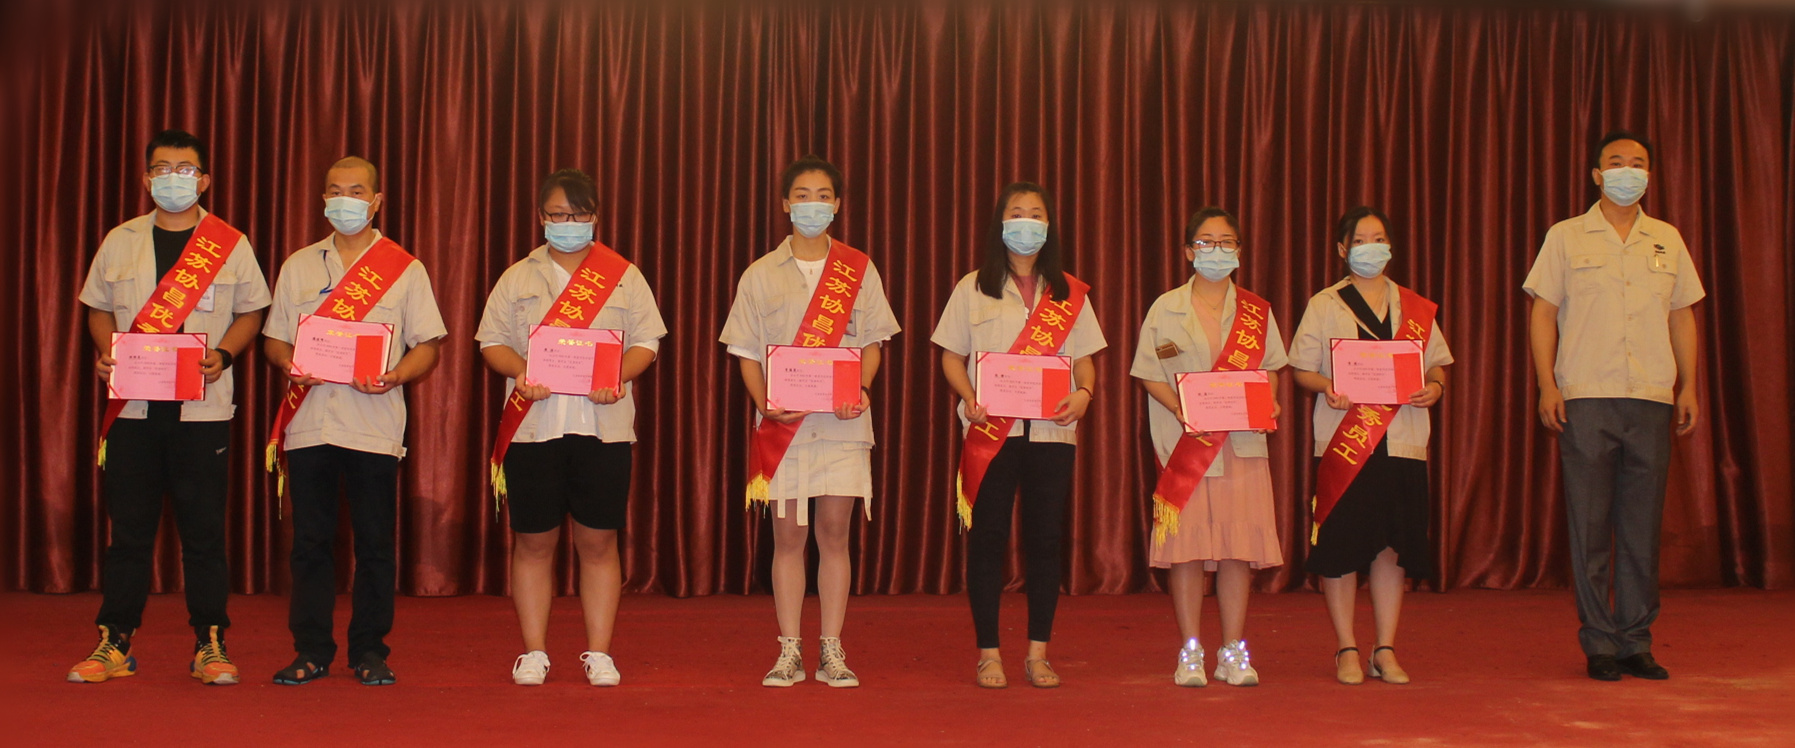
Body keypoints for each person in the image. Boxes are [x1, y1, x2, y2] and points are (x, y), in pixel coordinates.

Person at [69, 129, 271, 685]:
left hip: (202, 412)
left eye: (185, 170)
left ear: (203, 180)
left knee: (203, 534)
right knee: (129, 533)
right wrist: (107, 353)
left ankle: (211, 643)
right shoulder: (120, 240)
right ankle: (114, 641)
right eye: (162, 169)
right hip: (133, 409)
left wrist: (225, 355)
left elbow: (252, 311)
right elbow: (97, 307)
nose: (172, 179)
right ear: (146, 178)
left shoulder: (228, 243)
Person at [1523, 131, 1702, 682]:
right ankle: (1599, 641)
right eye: (1617, 163)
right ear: (1597, 175)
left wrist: (1688, 387)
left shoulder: (1666, 238)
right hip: (1586, 396)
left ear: (1650, 175)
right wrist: (1547, 385)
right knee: (1590, 526)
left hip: (1651, 396)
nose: (1629, 171)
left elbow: (1681, 315)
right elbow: (1543, 313)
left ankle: (1635, 641)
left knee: (1642, 528)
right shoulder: (1566, 236)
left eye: (1638, 163)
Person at [477, 169, 668, 686]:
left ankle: (599, 652)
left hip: (603, 427)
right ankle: (533, 652)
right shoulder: (517, 276)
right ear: (541, 217)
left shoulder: (623, 275)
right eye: (557, 215)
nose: (568, 223)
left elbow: (647, 342)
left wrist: (617, 375)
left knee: (599, 542)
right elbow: (491, 342)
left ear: (595, 217)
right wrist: (521, 371)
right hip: (532, 427)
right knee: (533, 542)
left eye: (578, 214)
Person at [262, 156, 447, 686]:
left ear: (376, 200)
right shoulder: (300, 264)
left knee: (374, 545)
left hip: (374, 423)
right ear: (323, 199)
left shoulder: (404, 268)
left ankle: (369, 650)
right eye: (335, 190)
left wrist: (396, 375)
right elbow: (275, 339)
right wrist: (288, 364)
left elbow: (428, 345)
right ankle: (311, 650)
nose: (345, 200)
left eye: (357, 191)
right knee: (310, 544)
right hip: (310, 422)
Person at [719, 154, 900, 688]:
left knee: (835, 535)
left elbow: (873, 342)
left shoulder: (859, 269)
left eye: (823, 196)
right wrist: (765, 402)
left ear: (837, 205)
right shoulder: (759, 274)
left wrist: (861, 388)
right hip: (784, 427)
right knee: (789, 538)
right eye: (802, 195)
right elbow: (745, 351)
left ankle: (832, 649)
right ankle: (789, 650)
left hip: (843, 423)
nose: (812, 205)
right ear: (785, 203)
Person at [931, 182, 1105, 689]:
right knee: (987, 538)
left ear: (1048, 226)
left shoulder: (1068, 291)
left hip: (1053, 432)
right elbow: (950, 355)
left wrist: (1085, 393)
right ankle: (989, 653)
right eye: (1017, 212)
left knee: (1045, 541)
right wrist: (969, 396)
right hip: (991, 431)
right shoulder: (973, 286)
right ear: (1001, 222)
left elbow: (1085, 360)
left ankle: (1038, 654)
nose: (1026, 222)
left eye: (1036, 214)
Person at [1289, 206, 1452, 685]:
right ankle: (1346, 647)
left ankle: (1385, 648)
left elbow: (1437, 363)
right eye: (1359, 240)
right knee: (1341, 548)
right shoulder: (1325, 304)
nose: (1370, 248)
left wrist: (1436, 387)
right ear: (1343, 249)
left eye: (1378, 239)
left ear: (1391, 246)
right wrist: (1327, 386)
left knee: (1391, 547)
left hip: (1401, 442)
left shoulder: (1414, 306)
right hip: (1346, 442)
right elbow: (1301, 368)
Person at [1131, 206, 1286, 687]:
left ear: (1239, 250)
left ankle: (1233, 651)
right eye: (1205, 242)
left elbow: (1271, 369)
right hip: (1186, 444)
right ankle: (1191, 651)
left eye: (1225, 242)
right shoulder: (1165, 307)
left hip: (1240, 443)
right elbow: (1148, 372)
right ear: (1187, 251)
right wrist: (1180, 406)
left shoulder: (1257, 311)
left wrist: (1270, 401)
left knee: (1239, 549)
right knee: (1188, 551)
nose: (1215, 251)